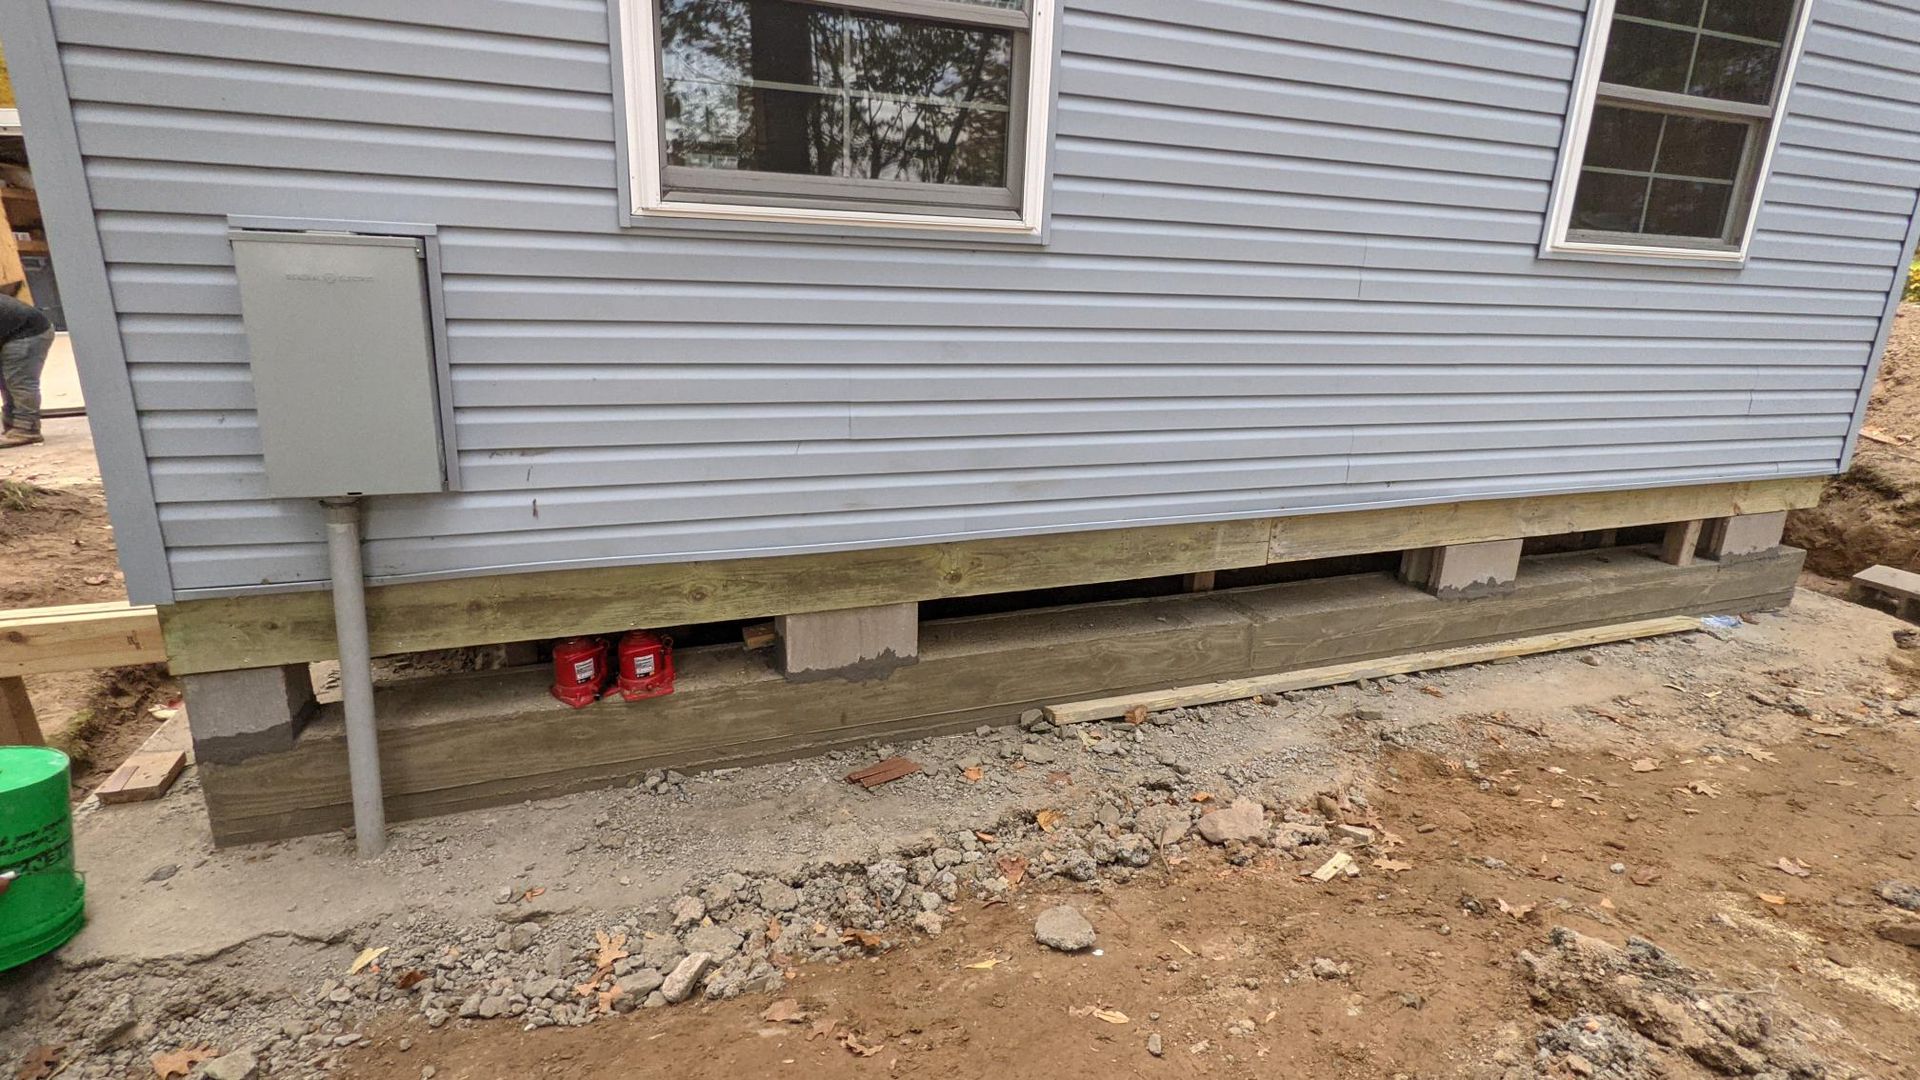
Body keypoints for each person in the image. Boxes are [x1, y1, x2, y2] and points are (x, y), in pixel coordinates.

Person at [0, 290, 54, 448]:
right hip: (12, 329)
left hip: (27, 332)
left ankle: (27, 430)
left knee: (19, 381)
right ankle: (13, 425)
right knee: (5, 381)